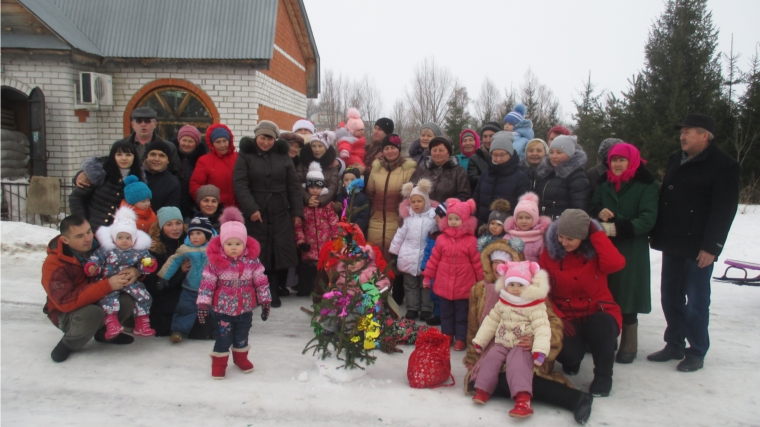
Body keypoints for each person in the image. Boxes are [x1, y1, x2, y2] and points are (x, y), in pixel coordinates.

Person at [464, 239, 594, 425]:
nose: (498, 266)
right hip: (494, 351)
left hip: (525, 350)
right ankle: (491, 389)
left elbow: (551, 324)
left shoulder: (531, 294)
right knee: (491, 377)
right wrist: (472, 355)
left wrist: (536, 342)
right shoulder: (480, 289)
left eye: (504, 262)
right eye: (494, 262)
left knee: (516, 371)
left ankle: (576, 399)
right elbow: (475, 328)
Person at [648, 114, 740, 372]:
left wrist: (712, 247)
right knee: (670, 296)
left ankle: (697, 349)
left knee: (697, 301)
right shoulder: (675, 159)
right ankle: (674, 343)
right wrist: (658, 233)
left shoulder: (724, 165)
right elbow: (666, 199)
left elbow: (724, 210)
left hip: (699, 247)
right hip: (673, 241)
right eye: (682, 131)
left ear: (705, 136)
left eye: (688, 132)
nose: (682, 136)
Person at [540, 209, 625, 397]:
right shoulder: (550, 252)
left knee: (601, 326)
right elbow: (542, 291)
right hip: (567, 315)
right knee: (568, 354)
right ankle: (574, 359)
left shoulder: (595, 250)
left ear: (584, 237)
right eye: (561, 237)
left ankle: (603, 375)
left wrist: (598, 235)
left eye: (570, 239)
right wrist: (559, 318)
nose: (564, 242)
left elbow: (615, 264)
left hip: (598, 310)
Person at [589, 142, 658, 364]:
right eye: (614, 160)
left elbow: (648, 218)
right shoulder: (604, 182)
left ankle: (630, 343)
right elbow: (593, 206)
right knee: (605, 293)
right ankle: (608, 338)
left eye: (622, 160)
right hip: (605, 247)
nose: (617, 164)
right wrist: (598, 212)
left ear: (632, 161)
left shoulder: (646, 185)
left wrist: (618, 228)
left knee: (628, 295)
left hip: (631, 248)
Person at [43, 215, 141, 362]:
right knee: (92, 313)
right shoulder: (54, 264)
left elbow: (131, 258)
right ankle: (69, 343)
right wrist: (106, 285)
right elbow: (65, 302)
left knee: (127, 299)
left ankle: (105, 333)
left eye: (89, 232)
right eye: (80, 236)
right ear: (65, 240)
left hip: (100, 299)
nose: (88, 238)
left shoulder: (103, 245)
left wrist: (136, 271)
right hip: (66, 312)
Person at [234, 120, 303, 308]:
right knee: (259, 250)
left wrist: (297, 211)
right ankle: (257, 289)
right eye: (263, 138)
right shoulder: (245, 154)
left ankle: (273, 290)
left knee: (278, 251)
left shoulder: (282, 156)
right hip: (258, 210)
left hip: (281, 209)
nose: (266, 142)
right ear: (257, 137)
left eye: (270, 139)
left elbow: (293, 185)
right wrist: (251, 208)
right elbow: (240, 184)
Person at [197, 207, 272, 379]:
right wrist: (203, 304)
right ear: (222, 244)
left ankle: (240, 358)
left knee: (242, 336)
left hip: (245, 309)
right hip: (223, 310)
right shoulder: (216, 264)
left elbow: (261, 281)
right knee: (224, 338)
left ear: (244, 243)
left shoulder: (252, 262)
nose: (233, 248)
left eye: (238, 244)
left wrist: (265, 301)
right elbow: (207, 284)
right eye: (229, 244)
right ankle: (219, 363)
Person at [471, 261, 551, 418]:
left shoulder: (535, 305)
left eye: (520, 285)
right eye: (512, 284)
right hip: (503, 341)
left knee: (518, 364)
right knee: (491, 358)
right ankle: (483, 389)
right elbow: (491, 321)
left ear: (528, 286)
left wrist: (539, 351)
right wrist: (480, 341)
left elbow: (542, 328)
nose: (515, 289)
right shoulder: (504, 301)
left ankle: (523, 399)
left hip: (522, 344)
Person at [85, 206, 157, 339]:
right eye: (120, 237)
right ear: (114, 238)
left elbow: (146, 261)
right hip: (110, 281)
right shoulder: (106, 250)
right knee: (109, 300)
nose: (124, 240)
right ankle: (112, 324)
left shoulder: (138, 251)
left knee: (144, 297)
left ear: (134, 239)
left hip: (130, 282)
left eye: (128, 238)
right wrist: (93, 267)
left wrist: (147, 265)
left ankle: (141, 324)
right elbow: (96, 259)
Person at [422, 198, 484, 351]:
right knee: (446, 313)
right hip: (444, 284)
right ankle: (447, 334)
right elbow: (434, 259)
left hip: (464, 286)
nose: (453, 222)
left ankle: (461, 338)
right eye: (450, 219)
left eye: (457, 219)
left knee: (462, 315)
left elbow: (477, 263)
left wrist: (481, 281)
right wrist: (427, 277)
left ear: (464, 221)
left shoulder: (471, 241)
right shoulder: (442, 239)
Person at [157, 215, 216, 343]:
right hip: (190, 288)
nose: (194, 237)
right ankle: (178, 331)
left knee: (214, 310)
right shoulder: (185, 249)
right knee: (185, 309)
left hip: (210, 289)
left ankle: (216, 331)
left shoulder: (214, 250)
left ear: (207, 235)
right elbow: (172, 262)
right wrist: (163, 277)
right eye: (192, 233)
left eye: (198, 233)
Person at [366, 133, 417, 271]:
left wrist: (403, 216)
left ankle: (395, 292)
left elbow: (410, 198)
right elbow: (369, 194)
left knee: (395, 264)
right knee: (373, 262)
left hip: (397, 223)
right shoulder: (376, 169)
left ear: (399, 149)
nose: (390, 151)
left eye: (393, 148)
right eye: (386, 148)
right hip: (375, 223)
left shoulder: (409, 169)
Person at [389, 179, 438, 321]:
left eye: (419, 201)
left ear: (426, 201)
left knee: (426, 285)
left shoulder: (434, 217)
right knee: (410, 285)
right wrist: (394, 252)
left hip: (427, 257)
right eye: (413, 201)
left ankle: (426, 309)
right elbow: (400, 235)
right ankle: (412, 308)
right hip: (408, 256)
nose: (416, 204)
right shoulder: (407, 216)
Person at [69, 141, 145, 232]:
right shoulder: (100, 174)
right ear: (113, 156)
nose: (124, 158)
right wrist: (82, 222)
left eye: (128, 154)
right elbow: (76, 197)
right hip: (93, 231)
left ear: (134, 157)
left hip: (121, 235)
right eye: (119, 154)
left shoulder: (138, 181)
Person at [144, 207, 191, 337]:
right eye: (169, 224)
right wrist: (180, 272)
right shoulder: (154, 249)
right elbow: (154, 285)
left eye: (178, 223)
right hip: (165, 297)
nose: (175, 228)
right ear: (161, 227)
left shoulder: (192, 241)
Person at [294, 162, 340, 297]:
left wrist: (335, 239)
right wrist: (301, 242)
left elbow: (333, 222)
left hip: (325, 244)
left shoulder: (327, 205)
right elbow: (298, 226)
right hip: (309, 244)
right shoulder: (304, 206)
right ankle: (304, 289)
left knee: (323, 270)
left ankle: (322, 290)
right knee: (306, 269)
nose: (315, 190)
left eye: (317, 187)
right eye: (312, 187)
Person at [472, 131, 530, 225]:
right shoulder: (485, 176)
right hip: (482, 229)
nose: (498, 159)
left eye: (502, 155)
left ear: (510, 154)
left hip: (506, 231)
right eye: (495, 155)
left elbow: (523, 209)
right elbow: (476, 203)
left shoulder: (521, 177)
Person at [534, 135, 591, 220]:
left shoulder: (577, 176)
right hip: (542, 226)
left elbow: (579, 209)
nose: (554, 156)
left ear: (569, 154)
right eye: (551, 152)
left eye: (559, 152)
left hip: (561, 228)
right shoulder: (545, 173)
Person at [189, 123, 238, 211]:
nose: (222, 145)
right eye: (218, 142)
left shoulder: (239, 158)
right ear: (212, 144)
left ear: (230, 141)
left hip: (239, 210)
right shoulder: (204, 161)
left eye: (225, 141)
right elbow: (195, 186)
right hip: (216, 212)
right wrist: (207, 205)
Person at [410, 135, 470, 203]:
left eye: (441, 150)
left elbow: (464, 195)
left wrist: (445, 206)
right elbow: (411, 189)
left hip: (449, 212)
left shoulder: (459, 172)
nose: (437, 153)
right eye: (434, 150)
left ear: (449, 152)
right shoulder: (422, 169)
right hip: (423, 211)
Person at [419, 203, 448, 326]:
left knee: (442, 295)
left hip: (443, 270)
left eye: (440, 216)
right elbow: (427, 251)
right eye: (436, 214)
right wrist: (424, 265)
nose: (437, 217)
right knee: (434, 293)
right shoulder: (432, 232)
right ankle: (437, 315)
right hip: (432, 268)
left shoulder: (447, 235)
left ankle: (443, 316)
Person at [298, 132, 341, 210]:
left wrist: (320, 200)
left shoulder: (332, 164)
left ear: (326, 147)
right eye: (314, 146)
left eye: (320, 146)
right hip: (305, 206)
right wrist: (307, 198)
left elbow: (333, 186)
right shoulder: (303, 162)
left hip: (325, 207)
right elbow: (297, 182)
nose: (317, 150)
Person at [504, 192, 552, 263]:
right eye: (520, 218)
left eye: (528, 218)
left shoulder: (540, 239)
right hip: (512, 271)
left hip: (533, 272)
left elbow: (544, 260)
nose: (524, 221)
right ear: (515, 218)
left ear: (535, 219)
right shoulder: (509, 236)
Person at [173, 125, 208, 218]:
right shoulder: (170, 156)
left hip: (193, 206)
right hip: (172, 202)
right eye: (184, 140)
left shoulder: (202, 160)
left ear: (196, 143)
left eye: (190, 141)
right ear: (179, 140)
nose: (186, 144)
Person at [143, 139, 181, 213]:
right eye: (153, 154)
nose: (157, 159)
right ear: (146, 157)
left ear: (168, 160)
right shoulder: (135, 176)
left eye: (161, 155)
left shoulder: (173, 184)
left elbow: (170, 214)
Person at [467, 122, 502, 193]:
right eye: (485, 136)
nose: (488, 140)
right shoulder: (475, 158)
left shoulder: (507, 156)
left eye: (491, 136)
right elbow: (472, 179)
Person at [334, 168, 369, 237]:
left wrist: (353, 228)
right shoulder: (338, 197)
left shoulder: (362, 198)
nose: (349, 182)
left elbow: (363, 217)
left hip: (355, 233)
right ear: (343, 182)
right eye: (346, 180)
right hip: (339, 233)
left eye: (352, 180)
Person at [362, 117, 394, 182]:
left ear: (387, 133)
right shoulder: (368, 147)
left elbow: (381, 172)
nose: (375, 132)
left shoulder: (389, 151)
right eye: (375, 128)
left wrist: (363, 170)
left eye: (379, 129)